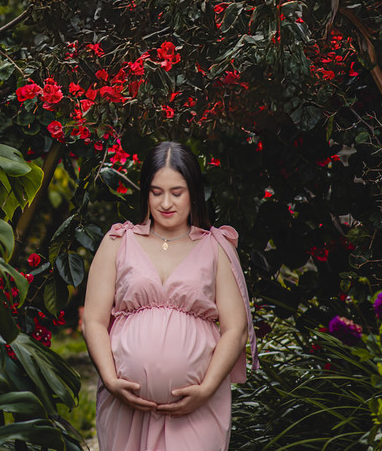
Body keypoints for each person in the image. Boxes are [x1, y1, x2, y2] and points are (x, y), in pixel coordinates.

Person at [82, 141, 256, 451]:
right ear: (145, 193)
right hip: (125, 405)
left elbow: (235, 329)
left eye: (177, 192)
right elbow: (94, 319)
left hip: (197, 409)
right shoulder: (117, 242)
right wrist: (110, 380)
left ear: (194, 192)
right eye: (155, 191)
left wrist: (207, 388)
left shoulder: (216, 247)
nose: (165, 203)